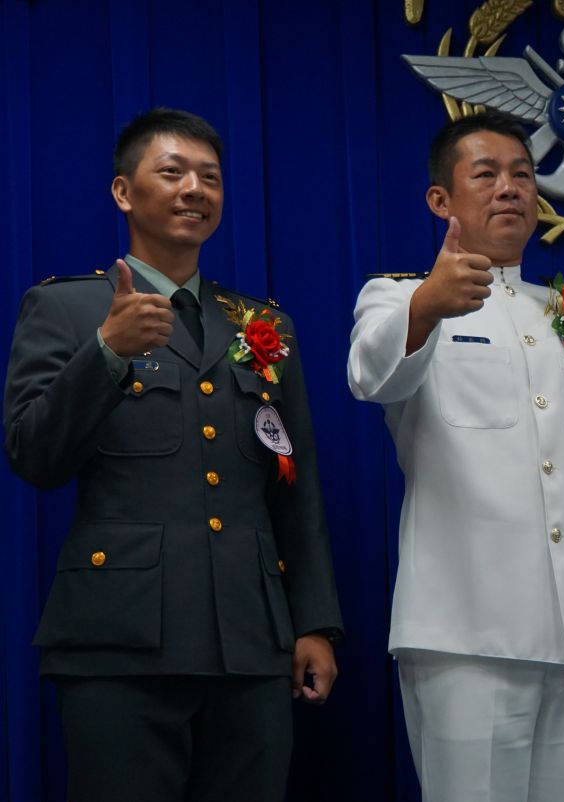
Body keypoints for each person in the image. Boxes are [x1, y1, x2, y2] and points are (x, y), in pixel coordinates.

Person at [3, 108, 342, 802]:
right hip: (120, 640)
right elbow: (34, 456)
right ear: (124, 191)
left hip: (250, 641)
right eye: (173, 172)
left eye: (210, 178)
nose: (194, 189)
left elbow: (294, 485)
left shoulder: (261, 324)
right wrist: (106, 352)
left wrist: (312, 623)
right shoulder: (67, 309)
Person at [346, 110, 564, 802]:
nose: (510, 188)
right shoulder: (400, 297)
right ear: (441, 200)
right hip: (465, 627)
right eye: (485, 174)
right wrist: (429, 304)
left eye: (522, 175)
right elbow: (370, 377)